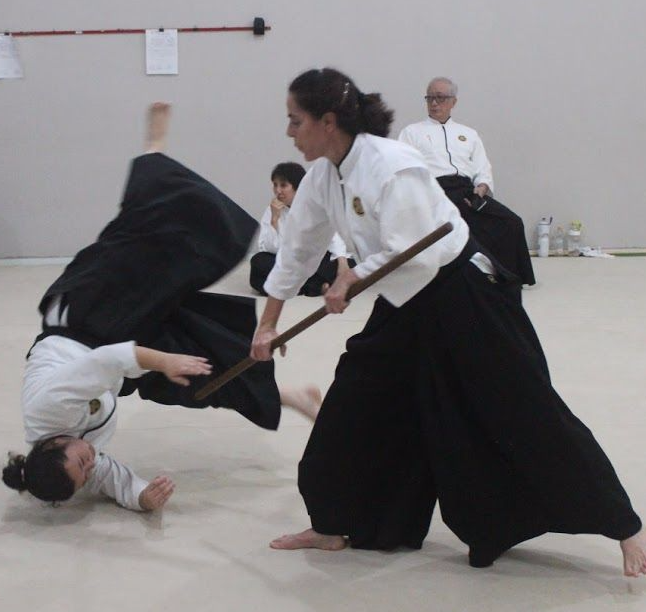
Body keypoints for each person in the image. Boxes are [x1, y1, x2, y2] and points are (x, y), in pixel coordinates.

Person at [250, 68, 646, 577]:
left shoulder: (391, 165)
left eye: (295, 120)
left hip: (461, 293)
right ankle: (333, 522)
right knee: (352, 402)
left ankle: (623, 525)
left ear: (328, 121)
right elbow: (296, 252)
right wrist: (268, 325)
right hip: (403, 304)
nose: (289, 132)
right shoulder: (325, 178)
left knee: (521, 405)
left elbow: (416, 251)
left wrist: (352, 279)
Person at [2, 103, 321, 512]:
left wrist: (164, 361)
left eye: (82, 462)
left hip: (85, 316)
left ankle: (153, 152)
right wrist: (140, 497)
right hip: (117, 349)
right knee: (196, 379)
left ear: (52, 443)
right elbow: (105, 475)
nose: (91, 461)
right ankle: (291, 396)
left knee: (147, 237)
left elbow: (106, 360)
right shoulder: (70, 460)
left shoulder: (48, 408)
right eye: (85, 471)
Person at [398, 77, 535, 287]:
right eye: (430, 98)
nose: (434, 103)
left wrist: (482, 187)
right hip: (434, 190)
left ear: (453, 102)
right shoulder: (411, 132)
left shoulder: (468, 134)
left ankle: (507, 276)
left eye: (440, 98)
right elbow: (404, 168)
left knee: (511, 222)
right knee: (456, 222)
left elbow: (482, 168)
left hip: (467, 190)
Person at [249, 162, 353, 296]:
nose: (278, 191)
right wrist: (274, 219)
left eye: (283, 185)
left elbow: (333, 235)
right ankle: (316, 286)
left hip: (315, 257)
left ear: (297, 187)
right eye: (275, 185)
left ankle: (303, 286)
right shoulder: (272, 210)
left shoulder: (313, 204)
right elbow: (267, 247)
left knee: (347, 264)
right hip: (289, 260)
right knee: (258, 262)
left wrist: (342, 262)